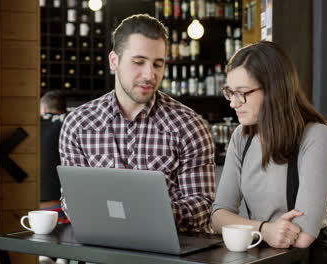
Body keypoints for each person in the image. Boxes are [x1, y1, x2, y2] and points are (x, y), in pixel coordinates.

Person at [59, 14, 215, 232]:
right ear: (114, 61)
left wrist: (152, 212)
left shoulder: (189, 126)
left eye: (158, 64)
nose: (149, 74)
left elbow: (203, 205)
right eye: (138, 62)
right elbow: (71, 202)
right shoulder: (78, 124)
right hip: (101, 250)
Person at [211, 41, 327, 263]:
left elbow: (303, 236)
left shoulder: (317, 136)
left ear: (274, 90)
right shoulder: (241, 137)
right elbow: (218, 217)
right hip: (264, 255)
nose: (233, 103)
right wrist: (265, 229)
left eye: (242, 93)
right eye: (230, 92)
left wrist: (248, 227)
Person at [40, 90, 67, 210]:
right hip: (63, 200)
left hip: (35, 200)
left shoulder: (34, 124)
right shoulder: (70, 122)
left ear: (44, 108)